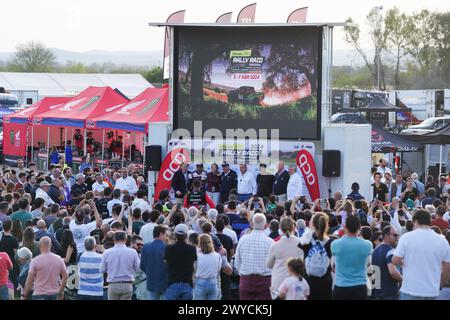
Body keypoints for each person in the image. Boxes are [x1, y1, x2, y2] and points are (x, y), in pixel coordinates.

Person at [392, 209, 450, 300]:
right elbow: (447, 264)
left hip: (410, 289)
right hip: (431, 290)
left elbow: (395, 260)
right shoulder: (442, 240)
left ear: (415, 222)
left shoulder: (406, 238)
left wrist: (405, 262)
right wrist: (441, 283)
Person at [331, 215, 372, 300]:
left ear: (345, 227)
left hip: (341, 286)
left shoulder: (336, 244)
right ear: (359, 227)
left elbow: (332, 265)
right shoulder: (367, 245)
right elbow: (369, 263)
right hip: (360, 286)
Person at [235, 213, 274, 300]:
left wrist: (242, 274)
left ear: (251, 224)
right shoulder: (270, 242)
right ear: (266, 226)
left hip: (246, 279)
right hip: (265, 281)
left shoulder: (243, 240)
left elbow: (237, 262)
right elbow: (274, 264)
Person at [299, 213, 334, 300]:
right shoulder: (331, 242)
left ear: (312, 224)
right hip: (326, 281)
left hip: (309, 281)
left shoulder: (306, 242)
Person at [267, 217, 303, 299]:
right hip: (295, 283)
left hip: (279, 283)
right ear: (293, 228)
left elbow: (269, 265)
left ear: (280, 228)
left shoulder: (275, 245)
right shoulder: (301, 243)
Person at [100, 231, 140, 300]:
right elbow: (138, 269)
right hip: (127, 284)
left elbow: (102, 270)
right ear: (125, 239)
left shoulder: (107, 252)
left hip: (113, 284)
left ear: (114, 240)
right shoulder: (133, 252)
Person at [164, 224, 197, 300]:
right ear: (186, 235)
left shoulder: (169, 248)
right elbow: (194, 264)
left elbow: (165, 262)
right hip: (187, 282)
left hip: (172, 282)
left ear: (175, 235)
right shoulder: (192, 249)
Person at [371, 225, 402, 300]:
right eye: (395, 235)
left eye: (397, 235)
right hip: (390, 292)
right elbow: (392, 272)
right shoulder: (390, 251)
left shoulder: (375, 251)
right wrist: (402, 280)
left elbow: (372, 273)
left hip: (378, 292)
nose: (397, 238)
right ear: (386, 236)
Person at [140, 225, 168, 300]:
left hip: (151, 282)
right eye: (165, 235)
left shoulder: (145, 248)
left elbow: (142, 266)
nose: (166, 237)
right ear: (161, 234)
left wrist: (149, 273)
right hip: (165, 283)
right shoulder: (166, 248)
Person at [193, 234, 222, 300]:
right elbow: (218, 270)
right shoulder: (217, 256)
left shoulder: (197, 255)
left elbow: (194, 268)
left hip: (200, 281)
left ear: (200, 243)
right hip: (213, 281)